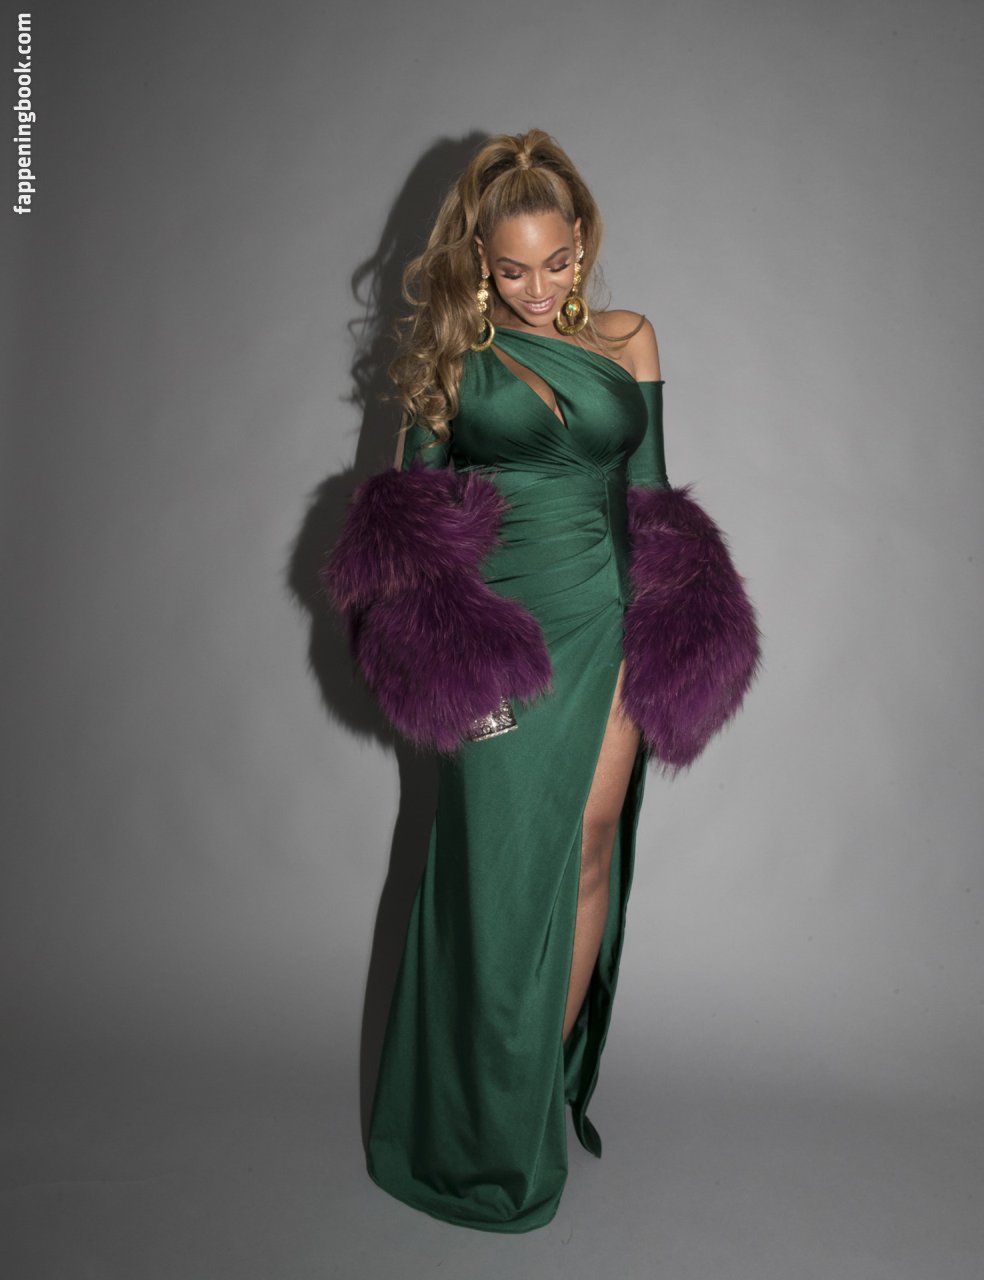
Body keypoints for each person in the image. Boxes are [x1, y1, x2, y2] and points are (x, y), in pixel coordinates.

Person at [322, 128, 760, 1233]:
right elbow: (406, 534)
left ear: (583, 241)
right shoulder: (448, 358)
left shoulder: (629, 337)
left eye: (558, 261)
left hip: (610, 618)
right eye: (513, 267)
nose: (538, 286)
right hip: (499, 634)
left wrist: (674, 625)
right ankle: (467, 1117)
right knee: (495, 879)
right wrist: (451, 663)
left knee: (592, 844)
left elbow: (653, 496)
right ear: (479, 255)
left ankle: (525, 1090)